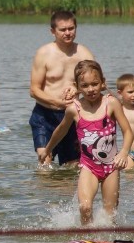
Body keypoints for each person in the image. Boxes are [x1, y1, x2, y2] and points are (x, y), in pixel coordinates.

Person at [39, 60, 133, 225]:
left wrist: (124, 152)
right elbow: (60, 131)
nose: (91, 89)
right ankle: (86, 238)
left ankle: (108, 242)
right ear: (77, 86)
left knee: (110, 215)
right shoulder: (74, 109)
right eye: (85, 85)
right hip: (88, 167)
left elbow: (128, 131)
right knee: (85, 207)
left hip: (111, 167)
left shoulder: (111, 103)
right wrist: (48, 149)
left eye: (95, 84)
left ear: (102, 82)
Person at [29, 10, 95, 166]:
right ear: (53, 31)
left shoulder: (84, 54)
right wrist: (57, 103)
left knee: (72, 166)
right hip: (45, 116)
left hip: (72, 117)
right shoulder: (44, 53)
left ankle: (64, 191)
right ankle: (45, 189)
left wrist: (78, 89)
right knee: (45, 161)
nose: (68, 33)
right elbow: (34, 90)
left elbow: (98, 85)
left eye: (71, 28)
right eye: (63, 29)